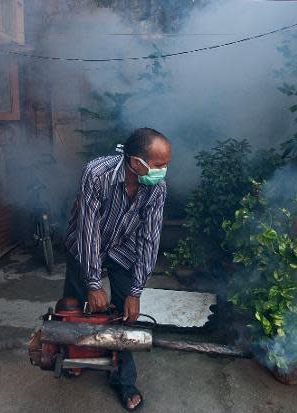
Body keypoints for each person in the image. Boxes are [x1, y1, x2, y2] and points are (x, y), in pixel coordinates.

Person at [63, 127, 171, 411]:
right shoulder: (96, 174)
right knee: (76, 307)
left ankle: (123, 381)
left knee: (126, 313)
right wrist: (93, 283)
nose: (164, 170)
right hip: (85, 246)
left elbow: (150, 237)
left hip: (123, 248)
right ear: (136, 163)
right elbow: (88, 231)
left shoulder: (156, 187)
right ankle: (76, 355)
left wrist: (136, 291)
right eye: (159, 165)